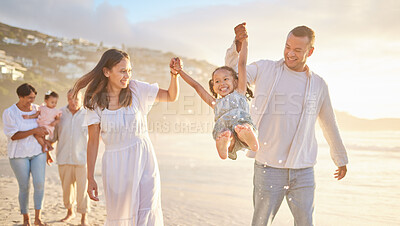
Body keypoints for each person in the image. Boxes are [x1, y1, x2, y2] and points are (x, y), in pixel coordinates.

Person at [225, 23, 349, 226]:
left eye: (297, 50)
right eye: (287, 47)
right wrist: (237, 46)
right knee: (260, 222)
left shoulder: (318, 84)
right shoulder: (265, 69)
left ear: (310, 51)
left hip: (304, 170)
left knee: (306, 223)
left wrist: (340, 158)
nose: (290, 53)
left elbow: (329, 122)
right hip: (268, 167)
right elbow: (234, 74)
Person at [72, 48, 179, 225]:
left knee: (147, 211)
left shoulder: (137, 89)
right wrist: (90, 177)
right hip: (116, 165)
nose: (127, 76)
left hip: (144, 159)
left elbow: (170, 96)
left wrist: (174, 76)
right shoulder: (95, 102)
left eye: (129, 71)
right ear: (106, 72)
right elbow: (92, 142)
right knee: (121, 216)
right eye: (122, 71)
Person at [171, 37, 258, 160]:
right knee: (227, 134)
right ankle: (226, 143)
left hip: (241, 124)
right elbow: (196, 86)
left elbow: (242, 63)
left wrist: (245, 41)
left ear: (235, 81)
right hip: (226, 129)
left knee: (242, 127)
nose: (222, 83)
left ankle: (248, 137)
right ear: (213, 86)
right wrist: (180, 71)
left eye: (226, 79)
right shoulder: (215, 103)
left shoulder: (240, 92)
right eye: (217, 81)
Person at [2, 83, 49, 226]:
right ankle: (26, 219)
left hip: (38, 153)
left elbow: (44, 127)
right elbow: (14, 136)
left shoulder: (37, 110)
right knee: (24, 187)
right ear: (20, 96)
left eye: (34, 97)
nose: (32, 101)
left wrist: (45, 139)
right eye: (29, 98)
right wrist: (34, 131)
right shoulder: (10, 112)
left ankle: (37, 218)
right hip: (19, 155)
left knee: (39, 184)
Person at [50, 89, 90, 225]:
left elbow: (95, 139)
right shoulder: (60, 114)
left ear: (82, 98)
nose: (73, 102)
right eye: (70, 99)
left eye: (76, 99)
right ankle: (70, 212)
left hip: (83, 160)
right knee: (66, 189)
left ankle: (83, 218)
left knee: (82, 190)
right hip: (64, 158)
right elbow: (53, 137)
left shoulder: (88, 115)